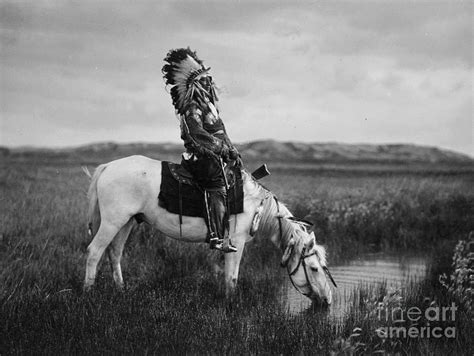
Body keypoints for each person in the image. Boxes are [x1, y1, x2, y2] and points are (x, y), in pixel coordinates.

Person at [162, 48, 240, 253]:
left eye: (209, 78)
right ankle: (216, 236)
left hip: (216, 155)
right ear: (196, 84)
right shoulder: (192, 107)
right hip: (201, 157)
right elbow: (197, 135)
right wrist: (221, 148)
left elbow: (220, 131)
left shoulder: (210, 107)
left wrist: (231, 150)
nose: (209, 82)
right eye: (205, 80)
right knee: (216, 182)